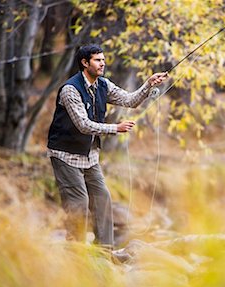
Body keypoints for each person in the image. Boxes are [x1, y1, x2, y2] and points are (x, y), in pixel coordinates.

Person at [47, 44, 168, 254]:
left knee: (102, 198)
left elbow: (130, 101)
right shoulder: (70, 90)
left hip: (89, 156)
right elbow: (83, 125)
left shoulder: (103, 84)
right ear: (85, 63)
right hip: (65, 156)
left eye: (103, 59)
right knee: (79, 202)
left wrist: (148, 85)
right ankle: (76, 253)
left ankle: (104, 251)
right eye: (97, 60)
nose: (102, 63)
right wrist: (116, 128)